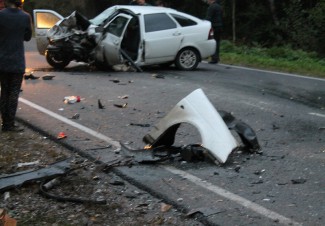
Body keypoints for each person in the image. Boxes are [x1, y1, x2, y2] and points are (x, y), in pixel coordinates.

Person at [0, 0, 32, 132]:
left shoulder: (0, 15)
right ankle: (10, 124)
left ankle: (4, 123)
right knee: (14, 92)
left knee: (4, 91)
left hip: (2, 60)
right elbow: (28, 37)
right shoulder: (25, 16)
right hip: (17, 61)